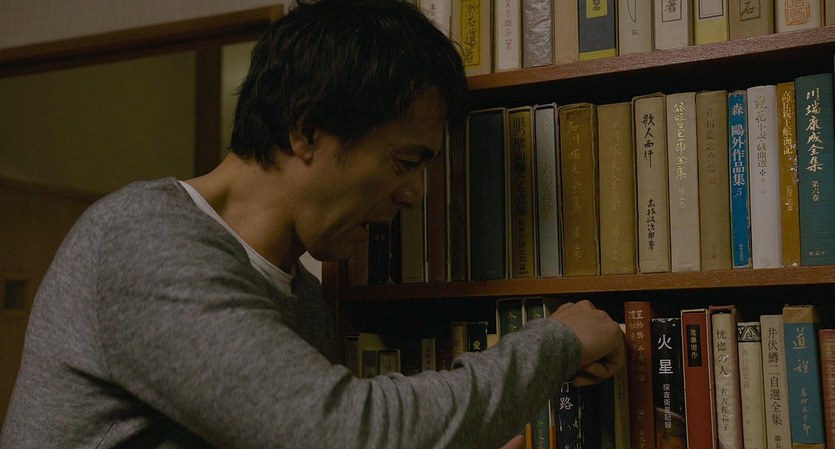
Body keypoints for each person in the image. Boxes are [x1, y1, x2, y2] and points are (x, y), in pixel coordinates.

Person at [0, 0, 626, 447]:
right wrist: (556, 342)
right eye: (405, 162)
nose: (415, 195)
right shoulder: (142, 238)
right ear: (306, 130)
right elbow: (342, 433)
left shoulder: (301, 299)